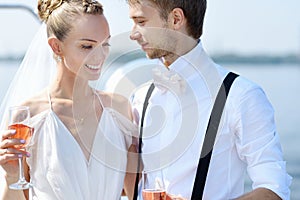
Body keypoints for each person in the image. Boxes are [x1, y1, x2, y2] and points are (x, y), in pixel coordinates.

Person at [126, 0, 292, 199]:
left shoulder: (240, 96)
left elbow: (274, 190)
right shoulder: (141, 97)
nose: (133, 34)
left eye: (141, 21)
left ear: (176, 19)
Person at [0, 0, 137, 199]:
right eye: (87, 46)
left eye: (105, 44)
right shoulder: (28, 115)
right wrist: (12, 176)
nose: (100, 56)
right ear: (56, 46)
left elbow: (137, 193)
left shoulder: (120, 109)